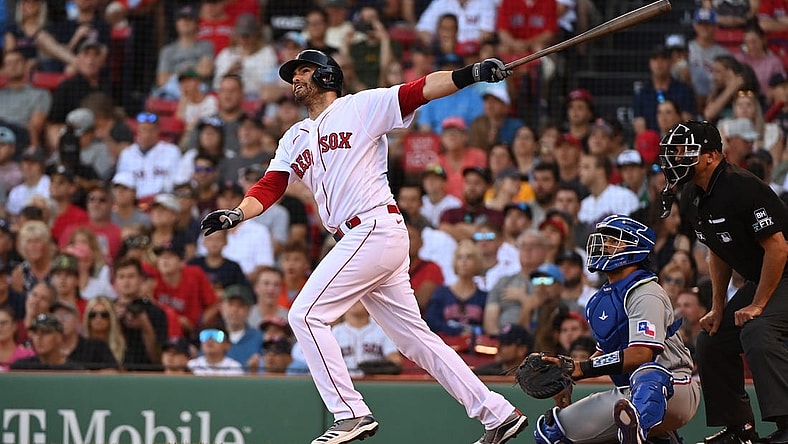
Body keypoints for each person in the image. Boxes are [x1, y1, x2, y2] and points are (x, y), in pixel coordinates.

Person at [200, 49, 527, 444]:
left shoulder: (361, 106)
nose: (295, 79)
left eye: (303, 71)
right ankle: (497, 413)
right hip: (364, 238)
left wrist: (470, 73)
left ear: (326, 75)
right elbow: (271, 185)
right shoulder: (293, 137)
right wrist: (237, 214)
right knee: (415, 341)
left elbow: (419, 89)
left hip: (371, 227)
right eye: (293, 74)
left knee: (305, 315)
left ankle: (350, 413)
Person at [658, 120, 788, 444]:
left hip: (783, 271)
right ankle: (739, 430)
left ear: (711, 156)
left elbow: (778, 247)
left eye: (684, 151)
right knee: (711, 341)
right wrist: (718, 307)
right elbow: (717, 251)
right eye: (673, 151)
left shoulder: (742, 186)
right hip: (766, 278)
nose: (675, 157)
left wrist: (758, 304)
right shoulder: (691, 195)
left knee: (758, 330)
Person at [533, 214, 699, 444]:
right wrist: (568, 377)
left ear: (635, 248)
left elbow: (642, 354)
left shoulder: (646, 292)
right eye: (604, 239)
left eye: (614, 240)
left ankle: (640, 432)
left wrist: (582, 368)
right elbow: (606, 352)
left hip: (675, 386)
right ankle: (654, 437)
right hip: (627, 394)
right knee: (552, 432)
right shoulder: (600, 299)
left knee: (648, 374)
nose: (605, 245)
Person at [10, 313, 84, 371]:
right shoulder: (22, 367)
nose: (39, 338)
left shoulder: (74, 371)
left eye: (45, 332)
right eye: (35, 333)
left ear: (59, 337)